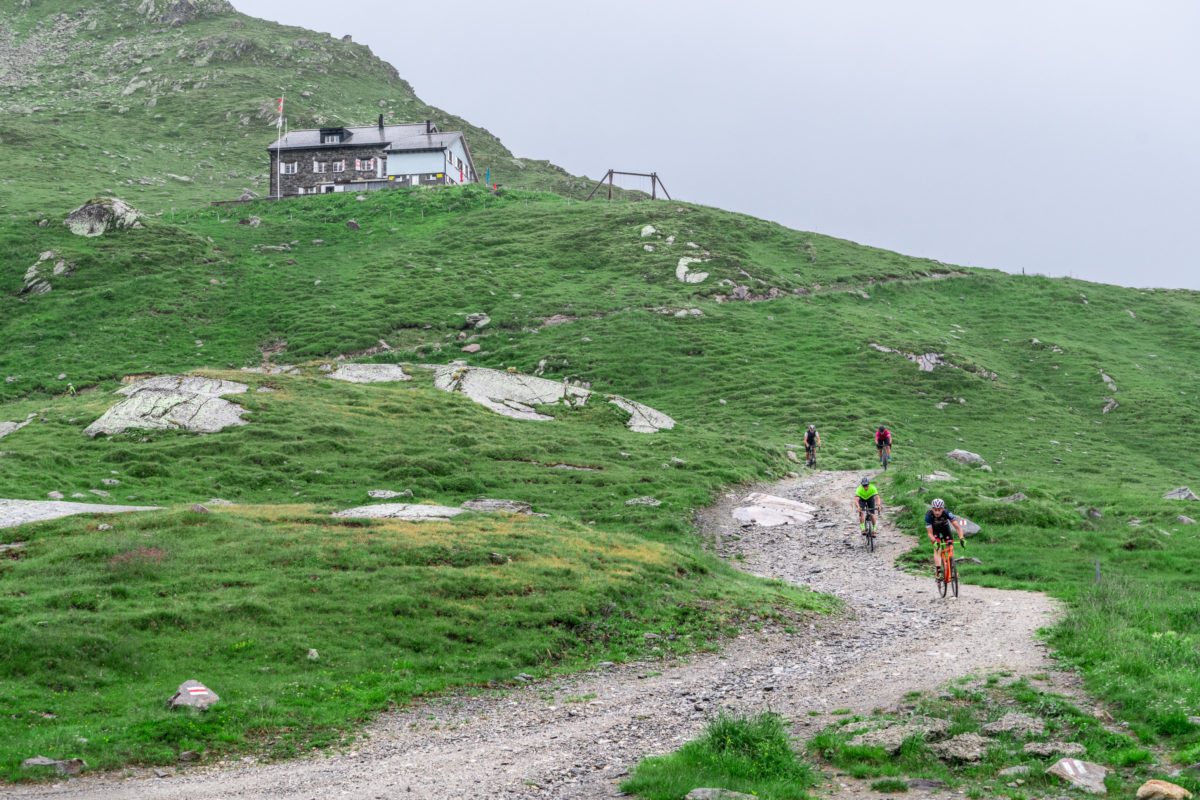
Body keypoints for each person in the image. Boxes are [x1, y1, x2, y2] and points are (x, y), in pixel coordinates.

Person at [925, 498, 966, 570]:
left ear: (943, 509)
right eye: (935, 510)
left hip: (945, 529)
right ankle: (938, 571)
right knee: (937, 548)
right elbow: (930, 533)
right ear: (932, 509)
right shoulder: (928, 515)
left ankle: (951, 565)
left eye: (939, 510)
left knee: (950, 546)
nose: (937, 512)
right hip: (935, 531)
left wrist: (961, 538)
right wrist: (934, 541)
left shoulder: (947, 513)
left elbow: (957, 527)